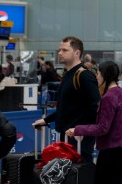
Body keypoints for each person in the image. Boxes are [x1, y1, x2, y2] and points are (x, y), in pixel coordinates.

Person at [33, 36, 100, 164]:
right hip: (66, 136)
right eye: (59, 50)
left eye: (64, 50)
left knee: (80, 176)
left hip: (79, 138)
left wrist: (82, 129)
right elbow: (66, 107)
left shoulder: (84, 76)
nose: (60, 53)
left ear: (77, 53)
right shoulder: (68, 75)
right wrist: (46, 120)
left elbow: (95, 107)